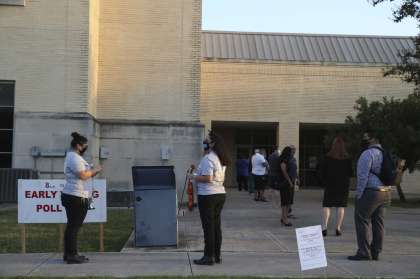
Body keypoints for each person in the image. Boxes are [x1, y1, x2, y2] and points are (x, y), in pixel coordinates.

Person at [348, 131, 391, 261]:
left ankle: (364, 252)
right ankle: (376, 251)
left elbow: (362, 176)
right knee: (379, 223)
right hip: (386, 192)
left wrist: (359, 194)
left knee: (362, 220)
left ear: (374, 139)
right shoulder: (385, 153)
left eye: (366, 137)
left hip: (371, 191)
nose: (364, 138)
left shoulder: (367, 153)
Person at [62, 132, 102, 264]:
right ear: (79, 146)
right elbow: (83, 175)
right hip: (76, 196)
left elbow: (84, 175)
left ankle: (70, 253)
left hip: (75, 195)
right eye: (85, 145)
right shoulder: (74, 158)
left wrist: (91, 172)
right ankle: (72, 255)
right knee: (74, 227)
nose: (86, 148)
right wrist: (95, 170)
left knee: (72, 226)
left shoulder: (74, 157)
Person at [190, 131, 229, 265]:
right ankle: (216, 255)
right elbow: (212, 175)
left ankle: (208, 257)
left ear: (212, 144)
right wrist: (197, 170)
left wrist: (193, 177)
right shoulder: (220, 157)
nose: (204, 142)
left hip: (208, 195)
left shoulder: (208, 158)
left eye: (206, 140)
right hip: (219, 194)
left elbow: (208, 178)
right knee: (216, 226)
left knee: (208, 227)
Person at [320, 137, 352, 237]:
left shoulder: (327, 157)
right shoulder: (347, 159)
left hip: (330, 184)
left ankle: (324, 227)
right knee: (341, 206)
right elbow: (350, 172)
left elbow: (322, 171)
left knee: (327, 205)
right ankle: (338, 228)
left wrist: (324, 181)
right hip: (343, 185)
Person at [278, 146, 295, 226]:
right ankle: (285, 219)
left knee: (289, 201)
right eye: (292, 150)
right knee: (285, 201)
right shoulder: (284, 160)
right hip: (285, 183)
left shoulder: (291, 159)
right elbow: (284, 171)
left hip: (291, 182)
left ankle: (283, 217)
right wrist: (289, 181)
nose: (293, 152)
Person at [288, 145, 299, 218]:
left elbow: (295, 170)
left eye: (294, 150)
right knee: (288, 196)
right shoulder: (287, 159)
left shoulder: (294, 159)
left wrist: (297, 178)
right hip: (287, 180)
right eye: (293, 150)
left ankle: (289, 211)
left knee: (291, 196)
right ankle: (287, 212)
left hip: (293, 179)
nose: (294, 151)